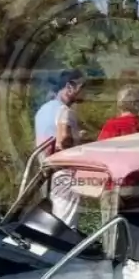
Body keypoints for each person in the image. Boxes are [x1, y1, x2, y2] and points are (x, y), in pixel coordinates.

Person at [33, 69, 87, 228]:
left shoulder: (42, 110)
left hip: (45, 170)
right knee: (65, 222)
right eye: (81, 88)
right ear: (70, 87)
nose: (83, 93)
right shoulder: (64, 111)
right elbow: (63, 141)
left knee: (49, 219)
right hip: (64, 171)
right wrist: (78, 141)